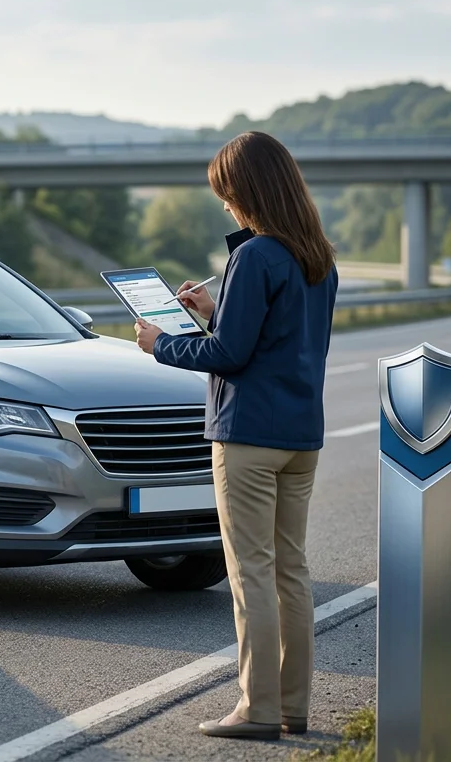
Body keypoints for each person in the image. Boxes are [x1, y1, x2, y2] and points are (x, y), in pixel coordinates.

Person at [133, 131, 339, 741]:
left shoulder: (253, 257)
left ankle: (256, 710)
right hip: (301, 437)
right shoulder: (316, 256)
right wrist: (208, 311)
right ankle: (293, 706)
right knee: (290, 573)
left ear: (248, 191)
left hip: (248, 436)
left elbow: (230, 354)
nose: (225, 205)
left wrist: (160, 343)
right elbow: (276, 340)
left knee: (251, 573)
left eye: (227, 193)